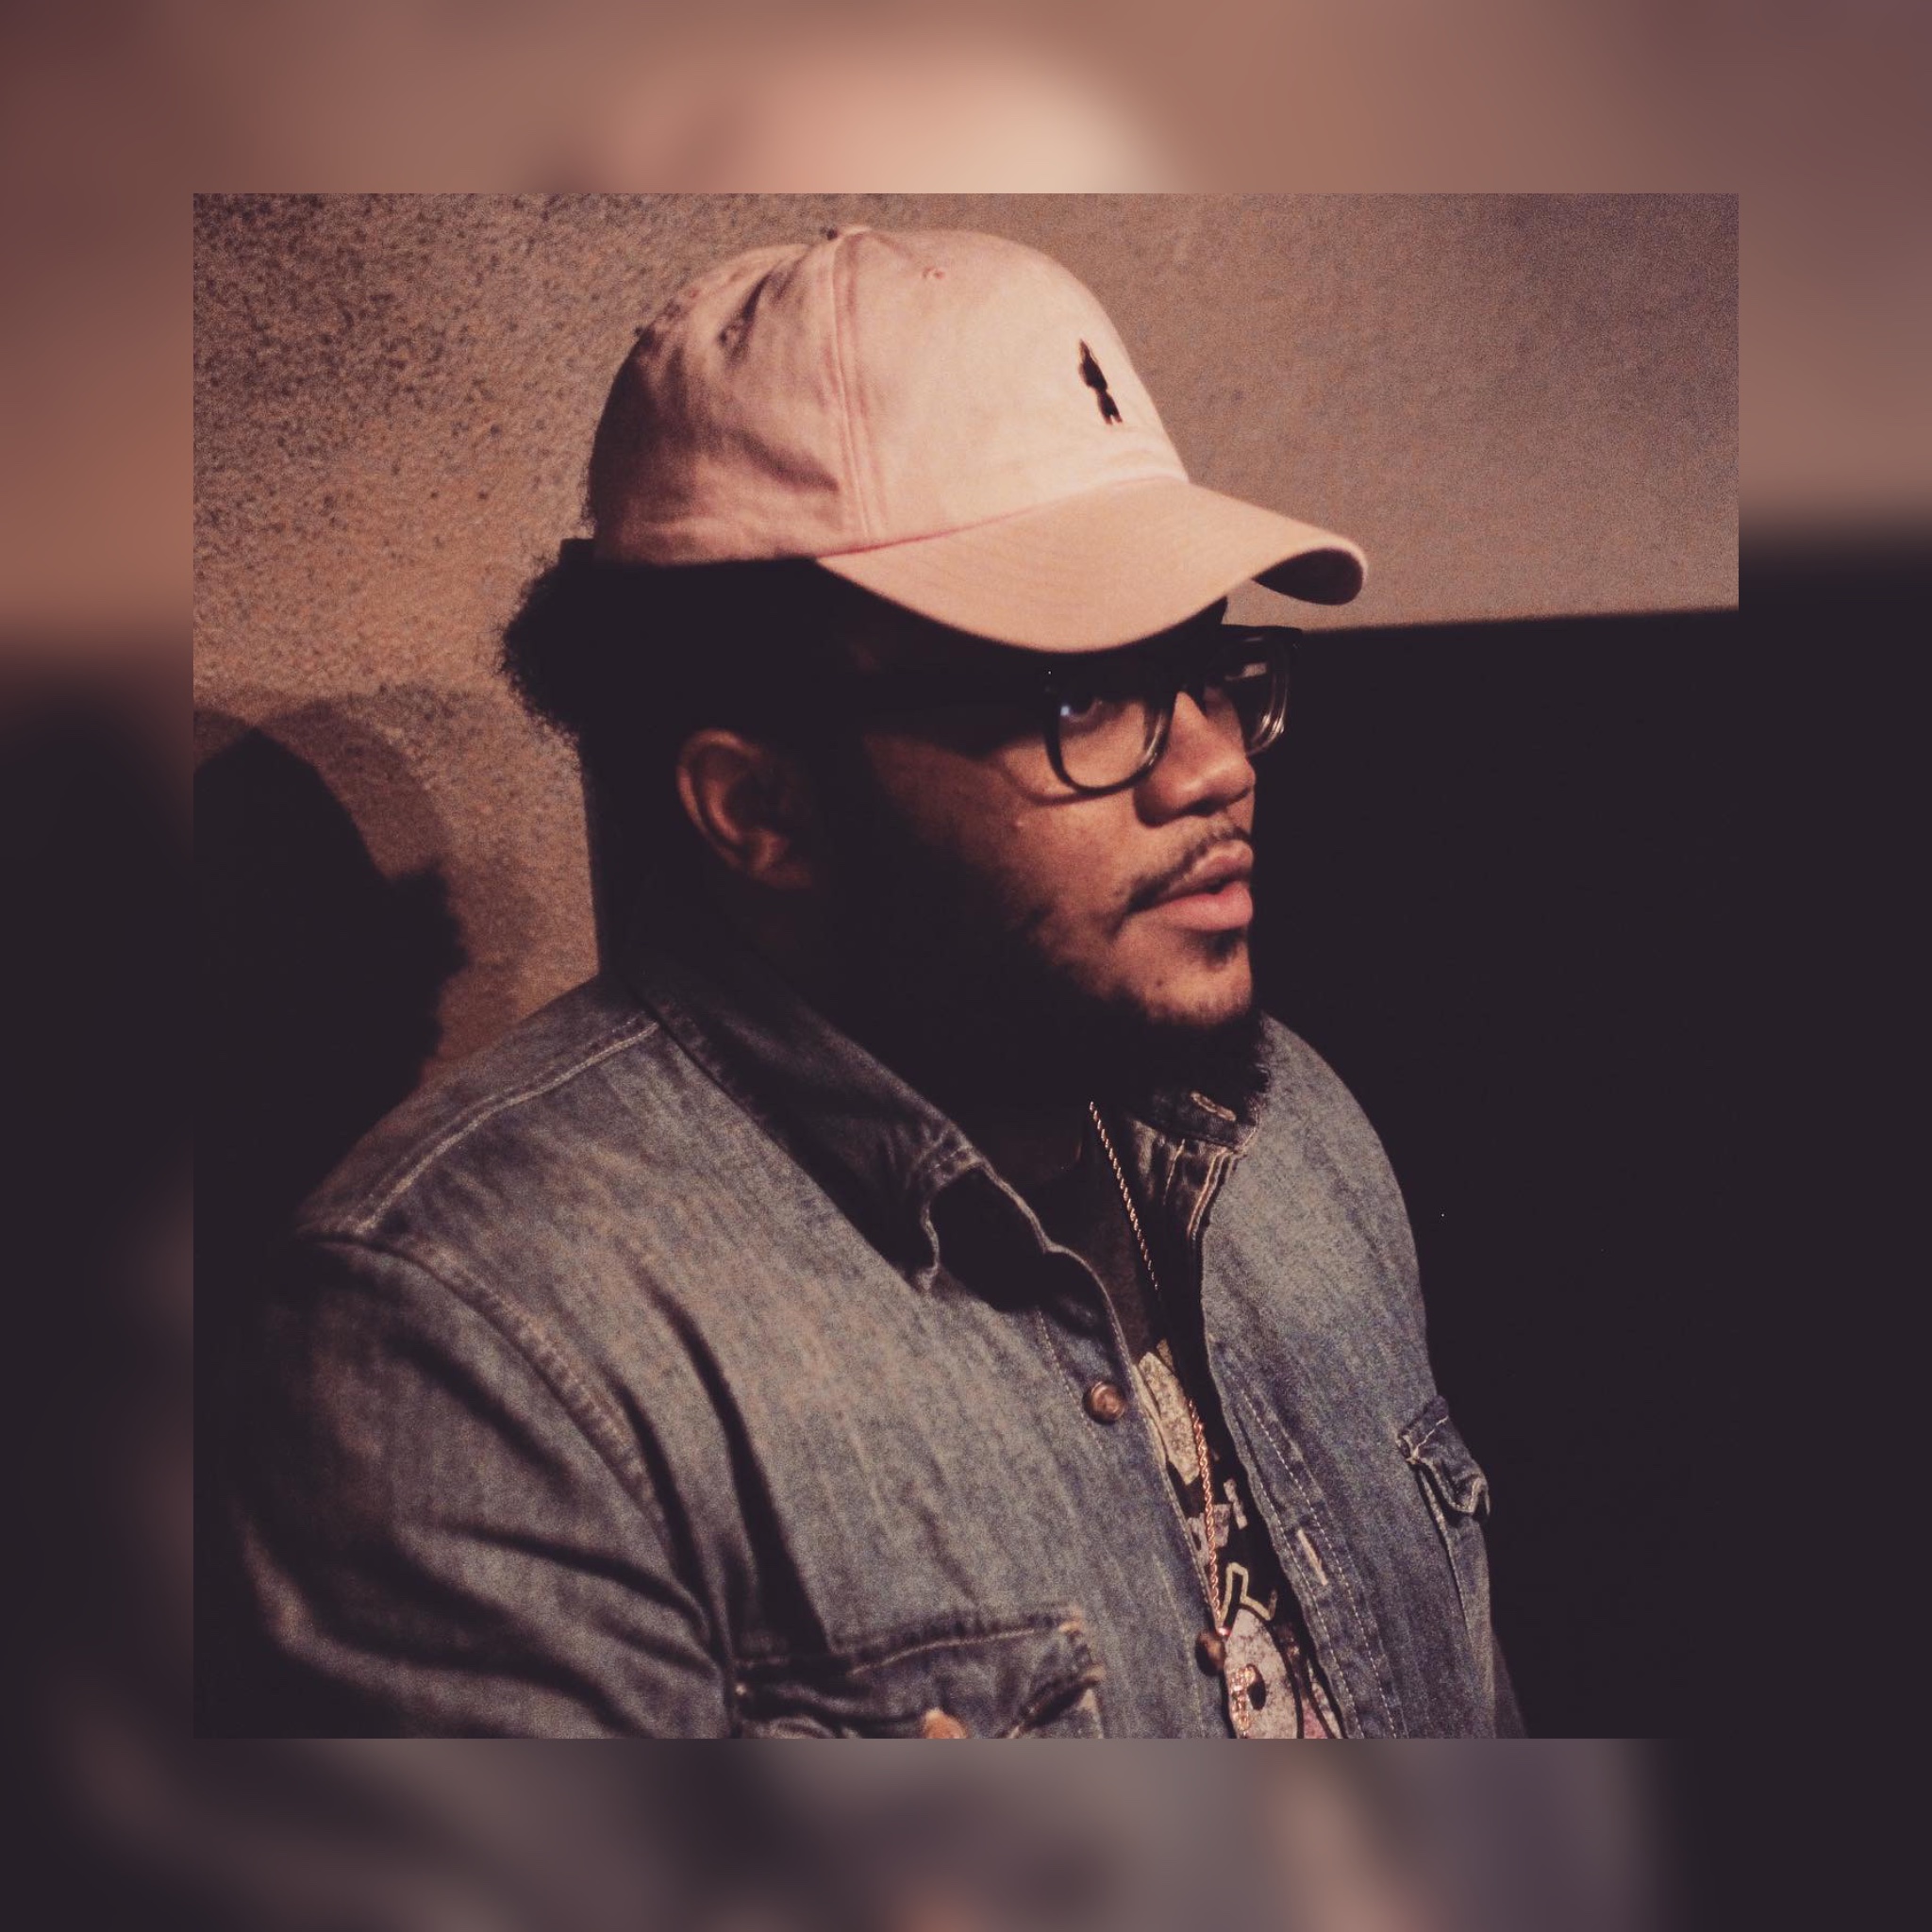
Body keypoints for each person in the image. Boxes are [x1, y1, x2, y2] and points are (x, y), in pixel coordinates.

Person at [229, 225, 1518, 1737]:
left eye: (1208, 666)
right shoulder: (476, 1348)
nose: (1217, 767)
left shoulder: (1288, 1133)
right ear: (762, 809)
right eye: (1080, 697)